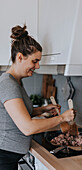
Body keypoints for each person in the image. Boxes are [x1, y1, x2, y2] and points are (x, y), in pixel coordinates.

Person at [0, 25, 75, 170]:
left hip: (8, 156)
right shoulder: (8, 84)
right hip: (3, 158)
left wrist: (42, 109)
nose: (38, 66)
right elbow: (27, 127)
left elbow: (16, 113)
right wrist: (63, 118)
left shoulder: (14, 82)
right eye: (35, 61)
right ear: (20, 57)